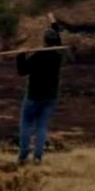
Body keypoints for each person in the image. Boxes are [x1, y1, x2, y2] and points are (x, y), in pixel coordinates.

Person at [16, 27, 67, 165]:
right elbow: (58, 41)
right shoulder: (58, 56)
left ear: (44, 40)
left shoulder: (38, 55)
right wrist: (55, 28)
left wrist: (21, 55)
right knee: (42, 126)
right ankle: (38, 157)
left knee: (26, 123)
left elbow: (22, 71)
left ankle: (23, 156)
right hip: (50, 96)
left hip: (34, 95)